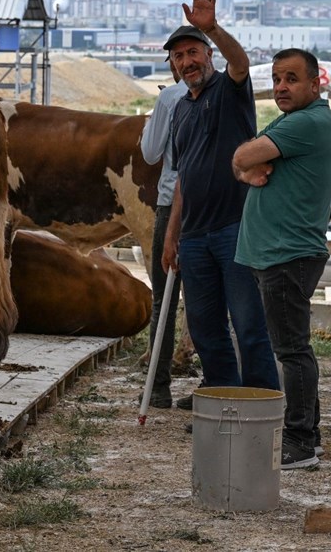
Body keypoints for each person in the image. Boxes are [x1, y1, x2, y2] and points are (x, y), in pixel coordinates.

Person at [161, 0, 281, 415]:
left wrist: (211, 27)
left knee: (248, 324)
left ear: (208, 55)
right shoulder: (181, 111)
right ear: (174, 68)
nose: (188, 61)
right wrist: (172, 236)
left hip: (235, 229)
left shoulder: (229, 92)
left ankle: (262, 408)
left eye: (194, 52)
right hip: (194, 237)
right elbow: (183, 179)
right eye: (179, 57)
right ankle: (222, 405)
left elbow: (241, 61)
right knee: (206, 327)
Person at [233, 48, 331, 470]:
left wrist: (244, 167)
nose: (282, 87)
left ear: (316, 84)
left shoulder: (308, 122)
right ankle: (308, 433)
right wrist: (246, 170)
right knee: (293, 349)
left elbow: (242, 156)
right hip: (278, 253)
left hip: (287, 254)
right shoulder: (295, 120)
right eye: (277, 79)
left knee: (292, 351)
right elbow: (246, 164)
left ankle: (300, 441)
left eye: (292, 79)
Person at [139, 58, 188, 408]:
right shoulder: (227, 93)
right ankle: (217, 386)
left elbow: (150, 151)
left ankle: (158, 388)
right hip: (215, 207)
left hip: (171, 201)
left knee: (164, 299)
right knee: (210, 299)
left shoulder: (171, 97)